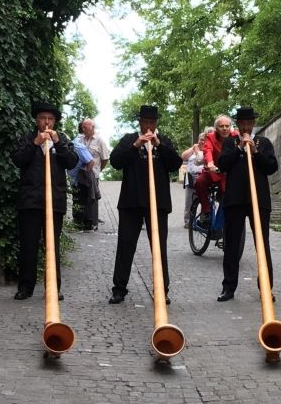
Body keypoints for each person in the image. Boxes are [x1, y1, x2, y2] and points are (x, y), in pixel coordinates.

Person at [108, 105, 182, 304]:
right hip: (131, 202)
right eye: (145, 122)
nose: (148, 126)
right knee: (125, 245)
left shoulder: (163, 140)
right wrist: (134, 145)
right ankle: (119, 288)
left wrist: (159, 145)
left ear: (156, 123)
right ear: (139, 122)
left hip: (157, 203)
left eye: (152, 122)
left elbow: (175, 164)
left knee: (159, 247)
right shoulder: (128, 139)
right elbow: (115, 161)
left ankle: (161, 289)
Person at [12, 101, 78, 301]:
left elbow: (72, 162)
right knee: (28, 245)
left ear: (55, 121)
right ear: (36, 120)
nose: (46, 122)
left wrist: (58, 143)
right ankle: (25, 287)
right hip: (30, 200)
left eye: (50, 119)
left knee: (52, 245)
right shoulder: (27, 138)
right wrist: (35, 144)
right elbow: (17, 160)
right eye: (42, 118)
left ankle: (53, 287)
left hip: (55, 200)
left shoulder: (63, 139)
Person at [216, 106, 278, 302]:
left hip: (259, 200)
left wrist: (255, 151)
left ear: (253, 124)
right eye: (242, 123)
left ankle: (266, 288)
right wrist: (240, 148)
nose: (246, 126)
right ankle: (228, 287)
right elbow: (223, 164)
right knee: (232, 244)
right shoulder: (229, 143)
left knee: (262, 243)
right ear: (238, 124)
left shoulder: (264, 142)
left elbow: (271, 167)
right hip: (235, 199)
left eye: (249, 123)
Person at [194, 115, 236, 227]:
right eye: (221, 126)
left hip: (227, 172)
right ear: (216, 128)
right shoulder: (210, 137)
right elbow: (208, 150)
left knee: (228, 192)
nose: (225, 128)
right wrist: (210, 163)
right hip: (213, 171)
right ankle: (206, 211)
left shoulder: (235, 136)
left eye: (227, 126)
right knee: (200, 182)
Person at [72, 118, 109, 231]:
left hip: (92, 173)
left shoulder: (99, 141)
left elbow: (105, 158)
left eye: (86, 128)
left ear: (92, 128)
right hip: (80, 173)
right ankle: (79, 222)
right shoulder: (80, 139)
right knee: (79, 196)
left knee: (91, 198)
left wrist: (98, 170)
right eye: (82, 127)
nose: (83, 130)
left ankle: (91, 223)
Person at [181, 128, 212, 228]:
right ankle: (188, 222)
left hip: (204, 178)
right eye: (201, 139)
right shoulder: (194, 149)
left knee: (205, 200)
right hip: (191, 178)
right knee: (189, 202)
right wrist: (193, 149)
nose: (202, 141)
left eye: (204, 139)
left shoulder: (209, 149)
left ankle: (204, 220)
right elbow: (183, 156)